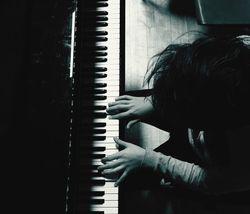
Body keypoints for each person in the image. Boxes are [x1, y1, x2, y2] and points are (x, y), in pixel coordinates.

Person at [98, 35, 250, 195]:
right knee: (117, 106)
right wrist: (154, 101)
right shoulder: (239, 51)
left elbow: (208, 181)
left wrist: (149, 159)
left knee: (119, 178)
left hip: (207, 161)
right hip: (202, 116)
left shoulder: (244, 163)